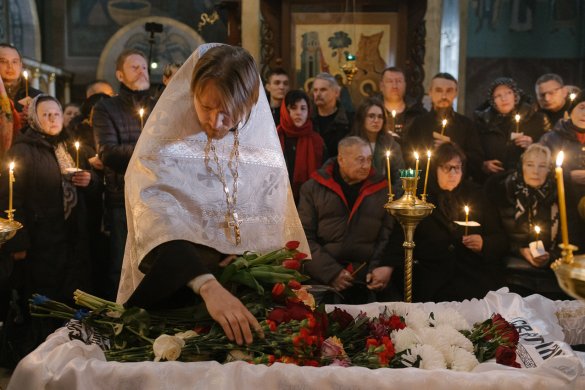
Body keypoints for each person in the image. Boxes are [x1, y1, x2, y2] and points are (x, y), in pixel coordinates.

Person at [117, 44, 309, 346]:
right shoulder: (160, 149)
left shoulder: (259, 150)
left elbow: (272, 226)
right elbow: (155, 224)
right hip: (175, 304)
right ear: (190, 91)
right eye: (206, 107)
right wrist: (206, 284)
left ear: (251, 103)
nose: (216, 122)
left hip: (246, 308)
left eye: (230, 113)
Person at [0, 95, 97, 367]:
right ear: (34, 118)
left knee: (71, 299)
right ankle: (40, 364)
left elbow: (93, 186)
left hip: (73, 240)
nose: (54, 119)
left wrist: (90, 181)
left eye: (57, 114)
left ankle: (71, 360)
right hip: (43, 241)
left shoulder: (69, 144)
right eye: (47, 114)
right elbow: (11, 199)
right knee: (44, 301)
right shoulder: (23, 150)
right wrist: (18, 242)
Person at [388, 142, 508, 302]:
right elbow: (399, 238)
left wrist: (484, 243)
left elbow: (501, 239)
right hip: (431, 280)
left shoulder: (477, 195)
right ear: (434, 169)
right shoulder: (419, 198)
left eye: (457, 168)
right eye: (446, 168)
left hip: (472, 277)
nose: (453, 173)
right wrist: (386, 265)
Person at [297, 136, 396, 304]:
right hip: (321, 277)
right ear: (341, 160)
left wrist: (378, 269)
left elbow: (387, 235)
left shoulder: (382, 190)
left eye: (369, 160)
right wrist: (331, 273)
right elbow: (303, 237)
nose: (366, 165)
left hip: (366, 278)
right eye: (360, 160)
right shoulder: (313, 188)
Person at [93, 49, 156, 300]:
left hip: (156, 196)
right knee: (121, 266)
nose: (142, 71)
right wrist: (149, 149)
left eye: (144, 67)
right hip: (122, 198)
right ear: (120, 74)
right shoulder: (105, 108)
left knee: (153, 265)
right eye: (134, 67)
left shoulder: (160, 104)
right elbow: (108, 152)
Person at [486, 144, 577, 299]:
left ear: (549, 169)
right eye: (530, 165)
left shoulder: (561, 195)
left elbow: (573, 239)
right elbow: (495, 237)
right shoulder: (504, 191)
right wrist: (520, 251)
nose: (535, 171)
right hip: (511, 273)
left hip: (552, 274)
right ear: (521, 166)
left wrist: (551, 257)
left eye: (542, 166)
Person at [404, 72, 484, 182]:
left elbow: (477, 161)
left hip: (458, 189)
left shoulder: (466, 124)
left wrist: (454, 148)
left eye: (449, 91)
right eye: (438, 90)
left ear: (456, 93)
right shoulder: (419, 123)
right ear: (430, 92)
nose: (444, 96)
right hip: (425, 188)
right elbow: (409, 159)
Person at [474, 77, 551, 181]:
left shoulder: (536, 119)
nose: (504, 98)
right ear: (492, 101)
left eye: (508, 93)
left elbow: (549, 148)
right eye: (498, 96)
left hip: (526, 181)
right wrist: (482, 165)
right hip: (492, 182)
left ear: (515, 95)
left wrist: (533, 145)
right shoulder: (483, 122)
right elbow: (474, 151)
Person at [540, 91, 585, 223]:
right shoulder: (551, 139)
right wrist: (568, 177)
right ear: (570, 111)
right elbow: (538, 170)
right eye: (582, 108)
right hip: (561, 210)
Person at [276, 89, 325, 202]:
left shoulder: (317, 141)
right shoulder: (274, 137)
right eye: (293, 108)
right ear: (285, 111)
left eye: (303, 108)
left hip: (309, 202)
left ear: (309, 111)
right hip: (278, 200)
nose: (299, 112)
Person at [351, 97, 404, 192]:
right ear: (362, 118)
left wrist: (393, 197)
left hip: (386, 196)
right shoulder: (351, 144)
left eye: (380, 117)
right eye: (371, 116)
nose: (376, 120)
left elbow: (399, 176)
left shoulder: (391, 144)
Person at [378, 66, 425, 143]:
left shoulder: (417, 112)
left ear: (405, 85)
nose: (394, 86)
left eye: (399, 81)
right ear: (381, 86)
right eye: (390, 81)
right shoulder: (372, 111)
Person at [0, 44, 42, 129]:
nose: (10, 66)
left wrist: (34, 119)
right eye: (3, 61)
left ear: (20, 65)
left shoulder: (37, 96)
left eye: (14, 62)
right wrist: (14, 120)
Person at [312, 72, 353, 157]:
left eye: (323, 90)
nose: (318, 94)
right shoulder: (308, 120)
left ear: (336, 92)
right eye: (315, 90)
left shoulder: (349, 121)